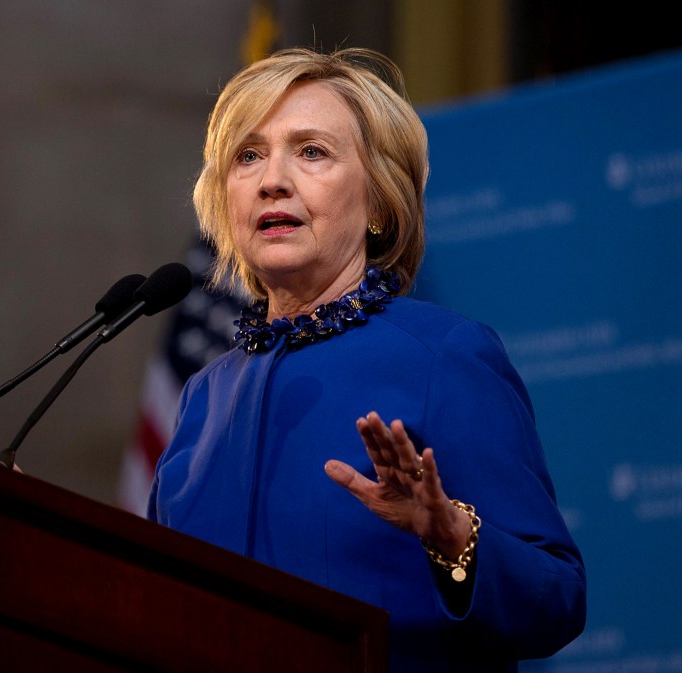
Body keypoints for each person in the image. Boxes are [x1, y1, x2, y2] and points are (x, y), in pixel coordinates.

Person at [145, 47, 586, 673]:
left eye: (311, 151)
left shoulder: (442, 355)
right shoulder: (203, 396)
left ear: (378, 201)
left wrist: (453, 537)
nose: (272, 180)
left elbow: (558, 598)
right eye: (248, 156)